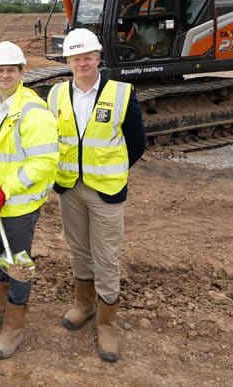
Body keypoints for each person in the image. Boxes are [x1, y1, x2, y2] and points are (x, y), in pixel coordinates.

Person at [47, 28, 146, 362]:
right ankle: (84, 305)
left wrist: (109, 169)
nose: (82, 63)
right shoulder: (56, 95)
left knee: (106, 257)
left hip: (105, 190)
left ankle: (106, 323)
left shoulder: (120, 93)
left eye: (87, 57)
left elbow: (136, 143)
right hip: (69, 187)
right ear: (68, 62)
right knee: (79, 250)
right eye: (75, 58)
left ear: (98, 57)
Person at [0, 41, 58, 360]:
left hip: (18, 202)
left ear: (22, 72)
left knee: (18, 263)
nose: (4, 75)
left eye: (11, 70)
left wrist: (7, 190)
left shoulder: (33, 111)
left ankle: (14, 327)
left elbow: (44, 161)